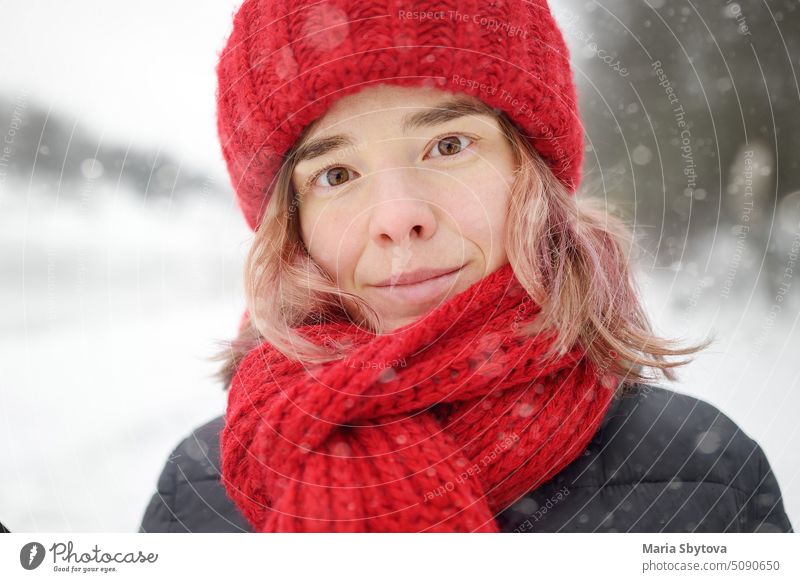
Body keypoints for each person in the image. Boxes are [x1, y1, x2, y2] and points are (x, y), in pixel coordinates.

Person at [139, 0, 792, 533]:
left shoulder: (703, 481)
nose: (398, 216)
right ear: (293, 224)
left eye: (448, 144)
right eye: (336, 174)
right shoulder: (202, 495)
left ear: (527, 173)